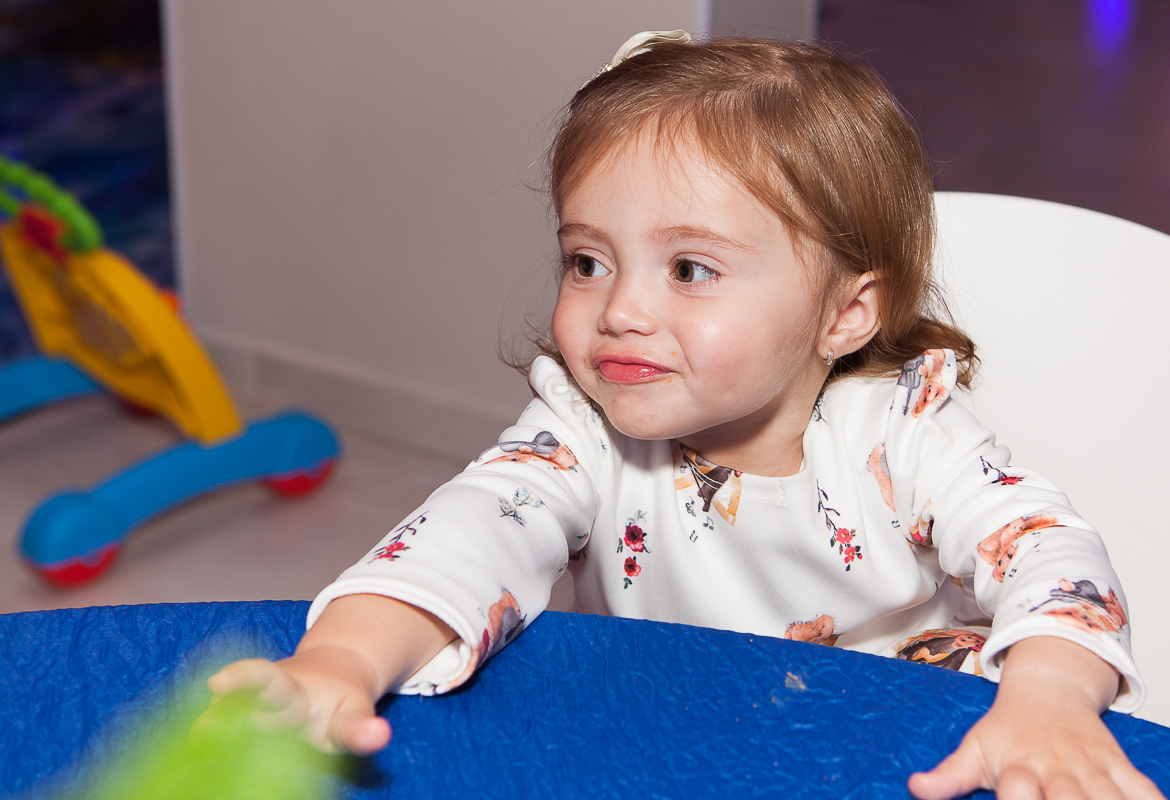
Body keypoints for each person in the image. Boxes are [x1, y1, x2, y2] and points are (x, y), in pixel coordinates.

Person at [207, 32, 1163, 799]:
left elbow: (1051, 555)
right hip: (664, 743)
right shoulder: (585, 431)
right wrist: (337, 661)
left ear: (845, 315)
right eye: (588, 261)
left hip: (891, 752)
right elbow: (462, 541)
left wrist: (1045, 696)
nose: (620, 308)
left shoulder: (903, 437)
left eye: (690, 270)